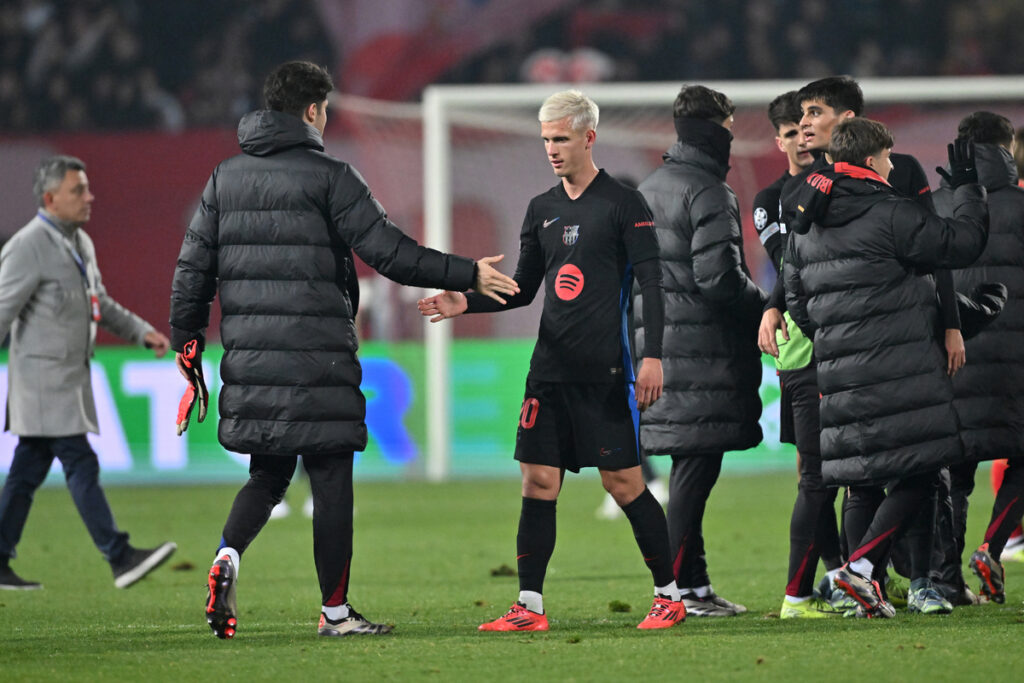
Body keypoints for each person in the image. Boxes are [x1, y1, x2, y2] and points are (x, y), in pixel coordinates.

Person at [169, 61, 518, 639]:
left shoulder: (222, 178)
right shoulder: (331, 176)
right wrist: (466, 273)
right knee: (330, 479)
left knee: (267, 477)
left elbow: (190, 275)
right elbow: (392, 254)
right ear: (312, 110)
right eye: (325, 110)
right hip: (319, 356)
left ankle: (228, 554)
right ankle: (335, 613)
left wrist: (188, 358)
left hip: (252, 358)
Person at [418, 88, 685, 631]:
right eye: (545, 140)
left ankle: (670, 596)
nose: (552, 149)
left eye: (560, 139)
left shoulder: (623, 204)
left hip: (605, 371)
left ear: (589, 137)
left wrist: (652, 355)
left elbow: (653, 283)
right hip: (549, 371)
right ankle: (529, 607)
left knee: (625, 485)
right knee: (538, 481)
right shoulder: (541, 208)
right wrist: (462, 300)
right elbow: (520, 289)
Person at [769, 76, 962, 615]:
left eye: (814, 112)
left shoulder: (901, 172)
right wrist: (776, 306)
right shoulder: (801, 191)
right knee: (871, 475)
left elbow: (933, 255)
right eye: (800, 116)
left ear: (846, 121)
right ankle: (865, 578)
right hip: (850, 354)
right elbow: (792, 273)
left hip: (884, 345)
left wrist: (949, 322)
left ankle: (917, 581)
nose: (805, 123)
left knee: (912, 467)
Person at [0, 155, 176, 591]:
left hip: (67, 382)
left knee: (26, 472)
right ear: (50, 198)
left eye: (87, 188)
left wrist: (141, 332)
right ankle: (119, 556)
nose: (88, 197)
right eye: (78, 190)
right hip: (42, 383)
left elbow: (101, 302)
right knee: (80, 463)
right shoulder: (28, 246)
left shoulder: (79, 243)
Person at [633, 84, 765, 617]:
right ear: (718, 130)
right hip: (703, 351)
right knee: (694, 472)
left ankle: (696, 584)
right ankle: (679, 589)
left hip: (662, 347)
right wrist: (766, 306)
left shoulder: (648, 187)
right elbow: (718, 280)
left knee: (692, 466)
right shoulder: (708, 191)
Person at [753, 92, 844, 619]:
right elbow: (790, 263)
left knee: (836, 471)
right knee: (813, 472)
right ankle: (831, 574)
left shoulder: (838, 185)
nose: (799, 139)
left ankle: (847, 573)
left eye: (803, 128)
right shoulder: (772, 200)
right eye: (789, 132)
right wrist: (771, 307)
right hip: (800, 349)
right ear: (779, 140)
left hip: (840, 344)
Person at [932, 111, 1024, 603]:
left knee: (955, 471)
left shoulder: (936, 205)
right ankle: (992, 545)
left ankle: (947, 581)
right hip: (1017, 361)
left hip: (954, 353)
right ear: (1007, 148)